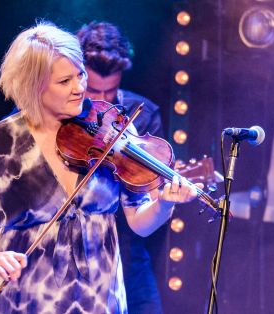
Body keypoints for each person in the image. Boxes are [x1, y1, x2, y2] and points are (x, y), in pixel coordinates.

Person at [0, 22, 199, 313]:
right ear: (34, 86)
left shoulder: (113, 128)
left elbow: (139, 223)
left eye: (80, 75)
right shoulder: (5, 139)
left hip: (100, 299)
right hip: (29, 300)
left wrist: (163, 205)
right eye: (64, 82)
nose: (80, 88)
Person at [76, 22, 166, 313]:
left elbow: (150, 198)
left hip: (124, 247)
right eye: (92, 90)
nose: (101, 102)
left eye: (110, 91)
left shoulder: (144, 114)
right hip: (66, 250)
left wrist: (164, 197)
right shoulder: (58, 110)